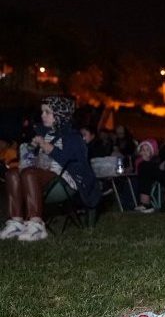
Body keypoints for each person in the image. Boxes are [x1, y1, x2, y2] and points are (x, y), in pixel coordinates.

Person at [0, 96, 100, 241]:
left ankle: (36, 225)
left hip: (64, 180)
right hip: (40, 176)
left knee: (29, 174)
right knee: (12, 174)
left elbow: (70, 161)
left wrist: (47, 146)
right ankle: (16, 222)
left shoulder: (73, 136)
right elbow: (33, 159)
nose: (43, 115)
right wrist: (31, 148)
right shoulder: (42, 133)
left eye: (47, 112)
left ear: (60, 115)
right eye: (42, 112)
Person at [132, 139, 162, 213]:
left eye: (147, 150)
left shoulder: (155, 161)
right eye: (143, 150)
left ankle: (146, 203)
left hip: (153, 177)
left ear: (152, 152)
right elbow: (137, 171)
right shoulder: (138, 161)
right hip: (141, 179)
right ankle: (141, 203)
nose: (145, 152)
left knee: (144, 167)